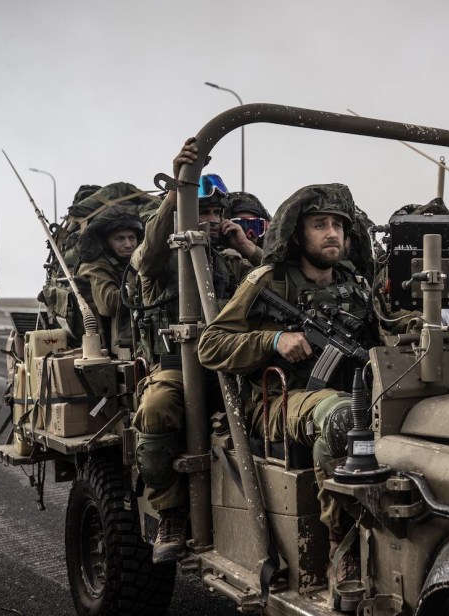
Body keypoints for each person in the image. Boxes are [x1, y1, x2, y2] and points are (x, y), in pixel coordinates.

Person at [198, 183, 378, 588]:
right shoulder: (268, 280)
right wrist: (274, 340)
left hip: (347, 388)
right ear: (298, 233)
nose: (332, 233)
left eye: (338, 225)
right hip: (278, 399)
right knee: (343, 417)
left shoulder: (357, 284)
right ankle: (342, 548)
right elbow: (210, 346)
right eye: (320, 225)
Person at [130, 138, 265, 564]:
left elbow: (274, 284)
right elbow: (147, 256)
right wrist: (175, 195)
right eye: (200, 211)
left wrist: (247, 247)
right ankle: (170, 514)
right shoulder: (161, 259)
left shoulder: (229, 260)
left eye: (213, 213)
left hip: (228, 363)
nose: (208, 220)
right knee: (155, 408)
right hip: (175, 365)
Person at [75, 207, 143, 356]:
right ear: (106, 242)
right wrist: (145, 287)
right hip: (111, 349)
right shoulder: (95, 265)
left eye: (132, 238)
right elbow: (109, 303)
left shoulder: (136, 260)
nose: (128, 244)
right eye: (119, 239)